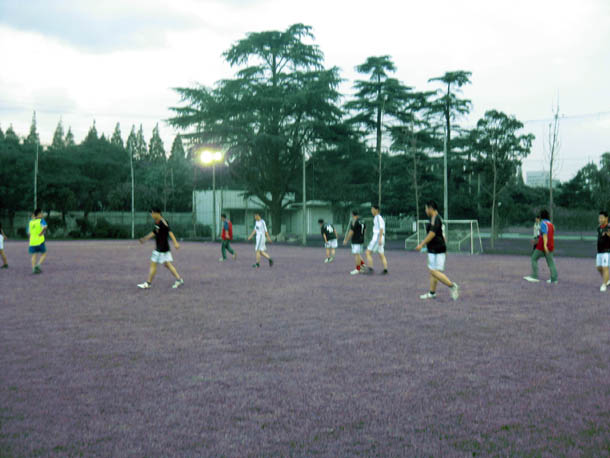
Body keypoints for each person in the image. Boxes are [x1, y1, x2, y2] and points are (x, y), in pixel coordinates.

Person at [415, 200, 459, 300]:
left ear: (430, 208)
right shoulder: (434, 219)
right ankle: (432, 293)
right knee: (434, 272)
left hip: (437, 249)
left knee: (434, 271)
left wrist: (421, 244)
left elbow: (432, 233)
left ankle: (452, 286)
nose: (425, 211)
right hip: (434, 249)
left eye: (426, 209)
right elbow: (442, 235)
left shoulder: (436, 219)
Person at [138, 208, 184, 289]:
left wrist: (175, 243)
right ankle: (179, 279)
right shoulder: (157, 222)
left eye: (152, 213)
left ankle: (148, 283)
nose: (151, 215)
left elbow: (170, 232)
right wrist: (145, 239)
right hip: (163, 248)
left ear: (158, 213)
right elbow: (154, 232)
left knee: (153, 264)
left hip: (161, 249)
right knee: (167, 264)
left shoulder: (163, 222)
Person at [524, 209, 558, 284]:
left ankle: (534, 276)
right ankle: (554, 279)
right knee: (551, 263)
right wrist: (537, 241)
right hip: (551, 245)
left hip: (542, 246)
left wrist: (545, 245)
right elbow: (549, 235)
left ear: (541, 216)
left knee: (534, 258)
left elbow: (544, 235)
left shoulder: (543, 223)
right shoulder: (551, 224)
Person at [365, 205, 389, 275]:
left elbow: (381, 228)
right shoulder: (377, 218)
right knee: (381, 254)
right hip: (380, 237)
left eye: (372, 209)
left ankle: (370, 269)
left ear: (377, 210)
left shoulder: (378, 217)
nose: (371, 211)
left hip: (377, 237)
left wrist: (380, 238)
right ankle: (385, 270)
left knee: (367, 252)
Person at [343, 210, 367, 275]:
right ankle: (362, 264)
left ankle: (358, 269)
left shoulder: (354, 221)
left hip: (356, 240)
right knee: (357, 253)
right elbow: (365, 230)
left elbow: (351, 232)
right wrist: (363, 237)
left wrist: (346, 240)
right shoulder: (363, 220)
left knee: (356, 254)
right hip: (361, 239)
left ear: (352, 214)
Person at [28, 208, 48, 274]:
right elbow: (45, 227)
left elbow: (29, 233)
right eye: (41, 213)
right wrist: (41, 233)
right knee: (44, 254)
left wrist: (31, 239)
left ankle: (34, 269)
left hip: (32, 242)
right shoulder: (41, 220)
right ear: (38, 214)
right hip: (40, 241)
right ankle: (38, 265)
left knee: (34, 256)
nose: (42, 214)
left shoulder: (31, 222)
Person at [596, 210, 610, 292]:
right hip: (599, 251)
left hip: (607, 251)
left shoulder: (608, 227)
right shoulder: (599, 227)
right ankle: (607, 279)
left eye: (602, 218)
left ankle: (604, 284)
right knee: (598, 267)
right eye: (599, 218)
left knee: (605, 268)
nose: (600, 219)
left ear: (606, 218)